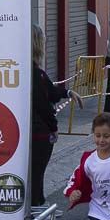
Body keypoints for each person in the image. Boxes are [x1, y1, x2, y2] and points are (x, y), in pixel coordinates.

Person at [32, 26, 82, 208]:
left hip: (33, 131)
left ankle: (39, 203)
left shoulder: (34, 72)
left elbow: (51, 92)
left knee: (36, 173)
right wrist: (53, 128)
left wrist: (68, 93)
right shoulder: (35, 74)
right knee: (36, 172)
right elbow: (43, 105)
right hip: (38, 132)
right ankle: (36, 209)